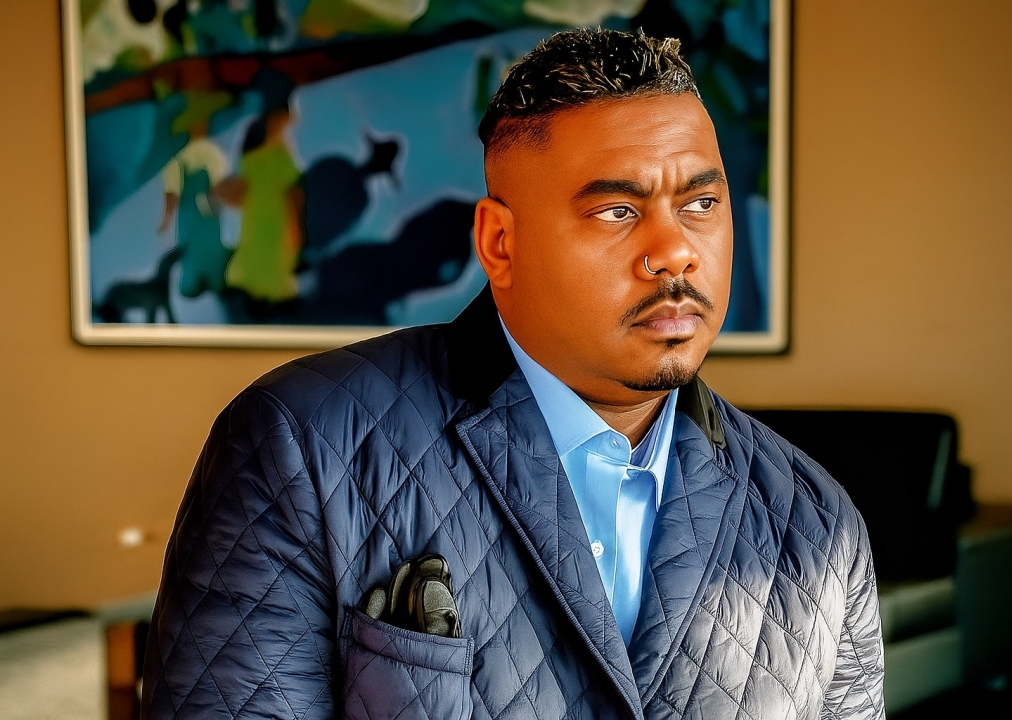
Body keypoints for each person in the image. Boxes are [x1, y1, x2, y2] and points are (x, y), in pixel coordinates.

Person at [142, 28, 885, 719]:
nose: (676, 251)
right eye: (617, 210)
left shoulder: (818, 524)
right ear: (500, 243)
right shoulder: (299, 445)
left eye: (701, 203)